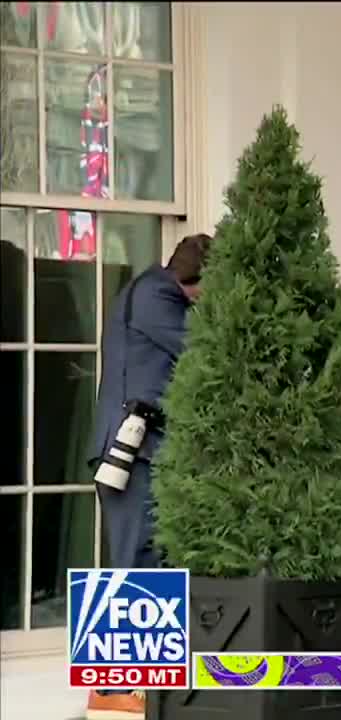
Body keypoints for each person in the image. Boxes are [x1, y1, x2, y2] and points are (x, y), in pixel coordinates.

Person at [83, 232, 212, 720]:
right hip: (131, 453)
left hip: (142, 452)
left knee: (145, 559)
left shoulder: (151, 292)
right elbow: (200, 350)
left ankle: (136, 683)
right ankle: (110, 687)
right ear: (193, 281)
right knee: (133, 561)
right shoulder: (157, 296)